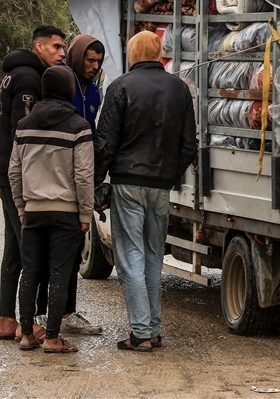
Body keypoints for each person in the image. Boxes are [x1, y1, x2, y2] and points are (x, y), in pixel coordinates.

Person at [95, 31, 197, 352]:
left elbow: (106, 143)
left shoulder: (121, 87)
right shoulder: (180, 89)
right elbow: (188, 146)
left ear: (133, 52)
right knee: (154, 257)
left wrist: (98, 181)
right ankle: (152, 329)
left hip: (127, 183)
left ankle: (140, 333)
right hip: (161, 187)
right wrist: (169, 175)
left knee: (130, 258)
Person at [9, 66, 93, 353]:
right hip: (66, 212)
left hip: (33, 210)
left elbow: (14, 172)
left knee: (30, 272)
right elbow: (83, 175)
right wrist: (85, 214)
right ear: (69, 90)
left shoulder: (24, 125)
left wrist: (22, 206)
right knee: (59, 273)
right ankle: (53, 338)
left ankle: (26, 335)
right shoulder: (79, 127)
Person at [0, 25, 67, 342]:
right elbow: (21, 132)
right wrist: (26, 181)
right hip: (16, 178)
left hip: (6, 174)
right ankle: (27, 325)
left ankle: (7, 320)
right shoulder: (28, 78)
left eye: (63, 47)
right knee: (29, 250)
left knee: (13, 249)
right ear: (39, 46)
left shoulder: (19, 72)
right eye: (56, 47)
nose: (62, 53)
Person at [54, 34, 107, 336]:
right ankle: (46, 314)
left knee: (75, 249)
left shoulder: (94, 91)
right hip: (62, 175)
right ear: (77, 57)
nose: (94, 66)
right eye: (89, 60)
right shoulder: (64, 84)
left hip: (83, 173)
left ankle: (66, 312)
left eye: (98, 61)